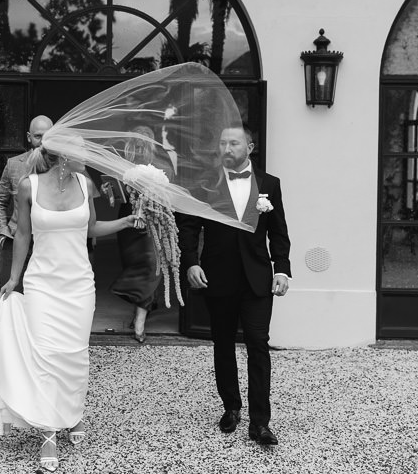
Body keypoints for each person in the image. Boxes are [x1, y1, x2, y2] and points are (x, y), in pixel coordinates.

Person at [0, 141, 136, 472]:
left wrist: (126, 222)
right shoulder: (28, 186)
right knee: (48, 357)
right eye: (82, 151)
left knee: (75, 355)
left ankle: (73, 413)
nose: (88, 157)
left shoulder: (85, 183)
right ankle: (49, 432)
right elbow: (22, 234)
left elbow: (91, 228)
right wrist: (14, 278)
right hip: (42, 284)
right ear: (64, 155)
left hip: (79, 286)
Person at [178, 124, 292, 446]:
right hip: (219, 276)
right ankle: (231, 407)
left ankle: (260, 422)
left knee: (258, 343)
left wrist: (282, 270)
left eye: (234, 143)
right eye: (223, 143)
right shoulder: (206, 184)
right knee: (223, 345)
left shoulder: (271, 184)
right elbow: (187, 226)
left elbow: (279, 232)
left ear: (250, 147)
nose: (227, 148)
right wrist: (192, 262)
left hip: (258, 280)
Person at [107, 124, 175, 343]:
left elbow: (170, 194)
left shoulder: (162, 166)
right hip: (128, 221)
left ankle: (140, 320)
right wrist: (110, 191)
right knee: (136, 265)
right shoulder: (122, 164)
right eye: (135, 143)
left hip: (153, 221)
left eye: (143, 143)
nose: (139, 147)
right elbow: (114, 195)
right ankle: (141, 309)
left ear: (152, 145)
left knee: (151, 266)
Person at [0, 115, 53, 286]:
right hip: (15, 240)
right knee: (12, 298)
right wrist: (2, 233)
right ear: (29, 137)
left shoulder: (60, 166)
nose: (42, 141)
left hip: (48, 243)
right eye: (38, 136)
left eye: (47, 136)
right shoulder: (14, 164)